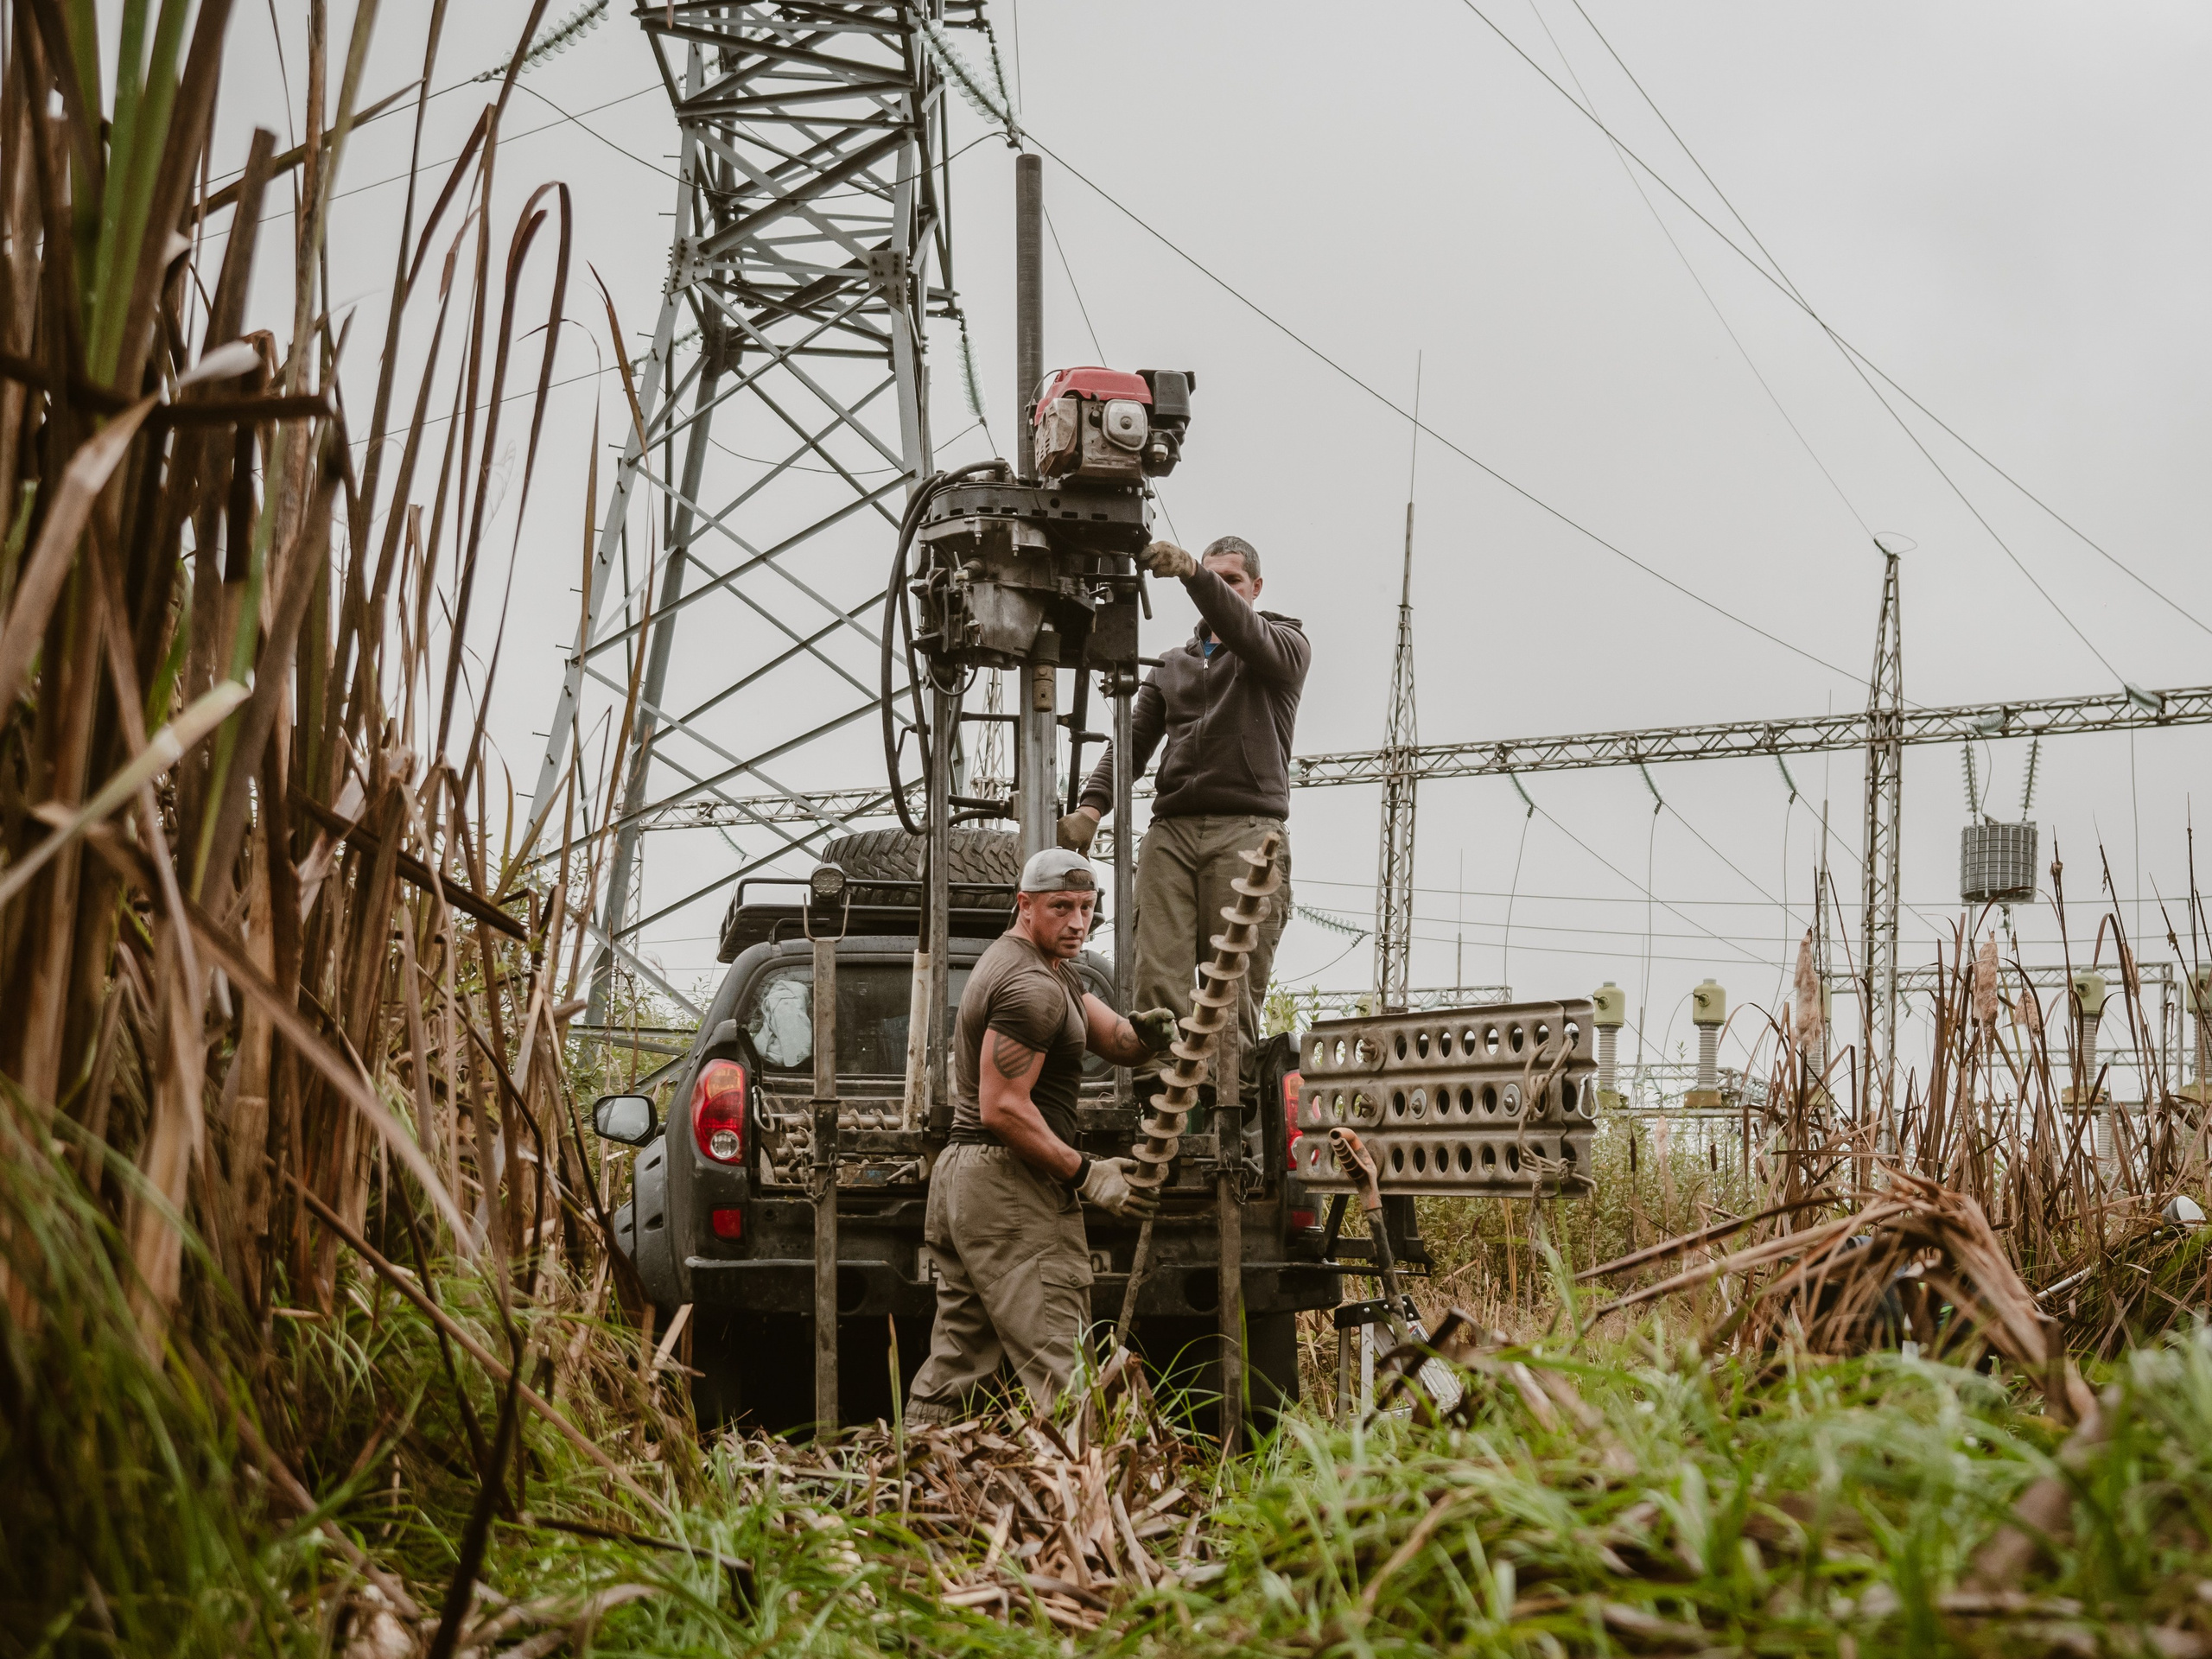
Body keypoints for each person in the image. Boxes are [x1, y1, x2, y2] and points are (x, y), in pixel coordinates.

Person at [906, 849, 1180, 1423]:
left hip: (969, 1180)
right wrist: (1087, 1174)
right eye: (1062, 907)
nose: (1078, 922)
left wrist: (1149, 1036)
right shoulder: (1028, 985)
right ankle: (1089, 1505)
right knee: (1065, 1369)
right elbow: (1003, 1108)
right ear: (1024, 904)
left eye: (1087, 907)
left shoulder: (1050, 968)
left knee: (960, 1364)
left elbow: (1116, 1042)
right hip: (1009, 1184)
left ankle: (916, 1494)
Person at [1062, 534, 1306, 1109]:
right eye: (1212, 578)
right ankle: (1158, 1090)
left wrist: (1196, 572)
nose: (1219, 589)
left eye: (1233, 580)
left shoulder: (1283, 647)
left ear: (1256, 588)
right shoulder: (1172, 666)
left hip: (1248, 827)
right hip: (1173, 830)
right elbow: (1131, 746)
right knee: (1157, 968)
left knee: (1232, 977)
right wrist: (1091, 810)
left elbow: (1245, 629)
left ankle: (1229, 1098)